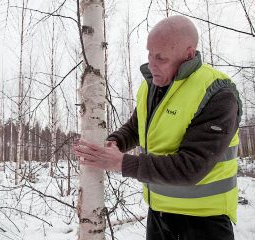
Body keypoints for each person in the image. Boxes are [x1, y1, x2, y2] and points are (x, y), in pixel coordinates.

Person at [73, 15, 242, 240]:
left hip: (204, 221)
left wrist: (121, 163)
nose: (151, 64)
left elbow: (192, 166)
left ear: (188, 55)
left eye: (161, 57)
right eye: (150, 54)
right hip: (159, 216)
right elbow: (135, 127)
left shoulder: (218, 93)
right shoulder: (151, 86)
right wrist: (115, 142)